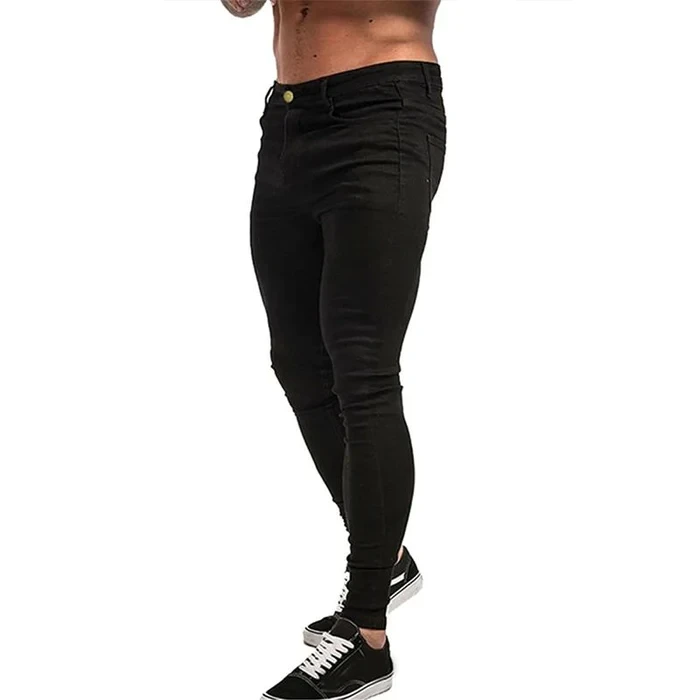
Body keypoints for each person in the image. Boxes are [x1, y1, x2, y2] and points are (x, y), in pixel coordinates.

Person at [222, 1, 446, 698]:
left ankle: (367, 635)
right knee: (297, 361)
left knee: (364, 369)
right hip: (289, 121)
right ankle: (387, 554)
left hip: (382, 111)